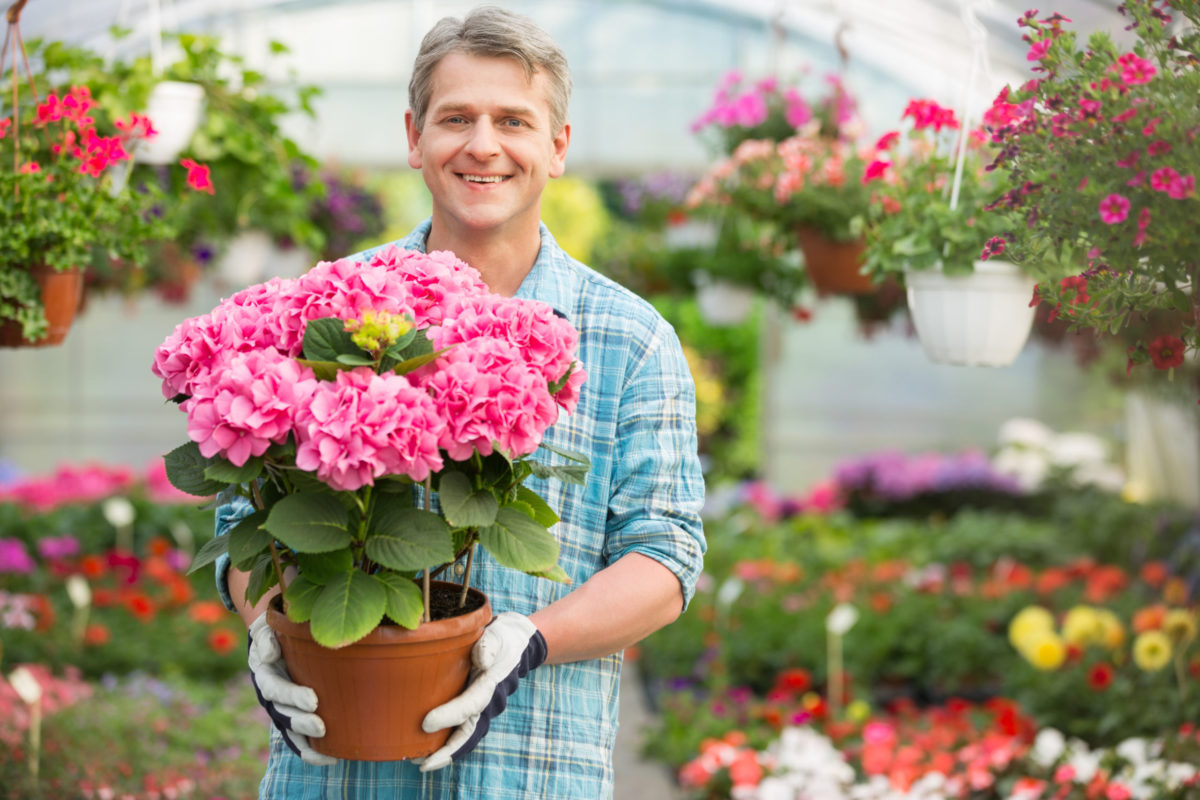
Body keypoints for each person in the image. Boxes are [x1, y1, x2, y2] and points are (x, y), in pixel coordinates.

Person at [213, 5, 706, 798]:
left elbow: (667, 554)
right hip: (336, 775)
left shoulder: (630, 338)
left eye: (513, 119)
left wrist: (531, 640)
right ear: (414, 138)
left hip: (532, 772)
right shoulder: (332, 310)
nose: (483, 145)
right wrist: (269, 624)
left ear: (558, 146)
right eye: (456, 118)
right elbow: (245, 520)